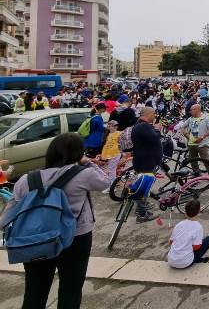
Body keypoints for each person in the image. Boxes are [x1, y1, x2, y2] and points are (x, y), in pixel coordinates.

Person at [0, 133, 110, 309]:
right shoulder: (84, 175)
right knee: (71, 288)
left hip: (34, 239)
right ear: (78, 153)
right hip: (75, 237)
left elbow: (7, 216)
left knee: (34, 290)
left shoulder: (26, 179)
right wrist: (86, 161)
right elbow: (105, 182)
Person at [131, 106, 163, 223]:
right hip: (146, 163)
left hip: (145, 161)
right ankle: (142, 214)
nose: (154, 116)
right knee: (143, 187)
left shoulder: (141, 125)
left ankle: (142, 209)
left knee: (143, 186)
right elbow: (155, 137)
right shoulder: (143, 126)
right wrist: (158, 129)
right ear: (148, 114)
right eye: (153, 114)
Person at [167, 199, 209, 268]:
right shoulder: (198, 227)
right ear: (199, 211)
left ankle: (196, 259)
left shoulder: (179, 224)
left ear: (185, 212)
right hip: (185, 263)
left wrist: (183, 244)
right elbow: (196, 247)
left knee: (186, 244)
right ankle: (196, 259)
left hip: (171, 261)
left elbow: (171, 242)